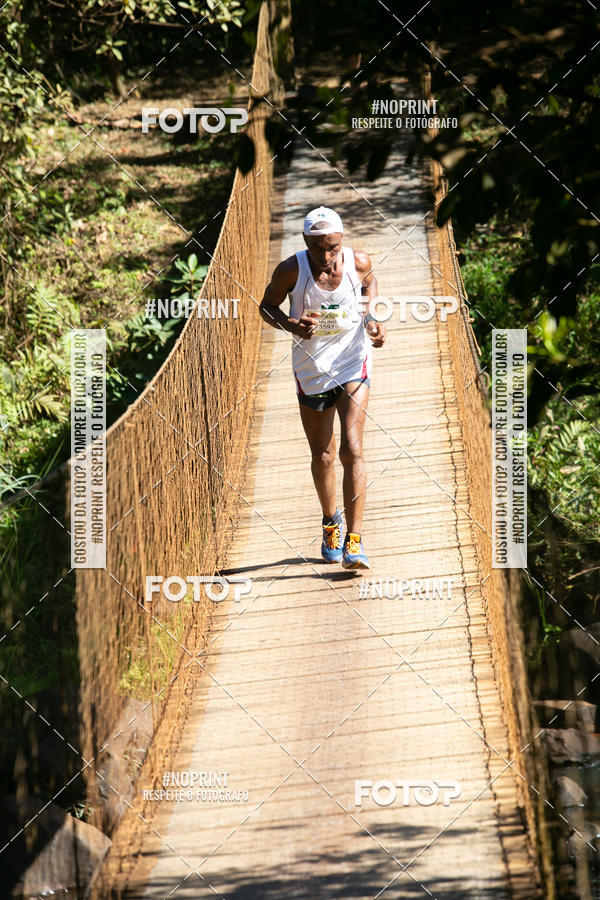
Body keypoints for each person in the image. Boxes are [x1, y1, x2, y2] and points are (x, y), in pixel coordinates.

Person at [259, 206, 386, 570]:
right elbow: (266, 307)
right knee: (325, 455)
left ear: (342, 241)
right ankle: (331, 521)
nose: (326, 257)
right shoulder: (291, 270)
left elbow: (369, 283)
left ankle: (355, 541)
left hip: (351, 362)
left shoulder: (358, 261)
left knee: (352, 447)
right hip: (311, 369)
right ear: (305, 243)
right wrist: (292, 325)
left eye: (332, 248)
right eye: (318, 249)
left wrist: (372, 317)